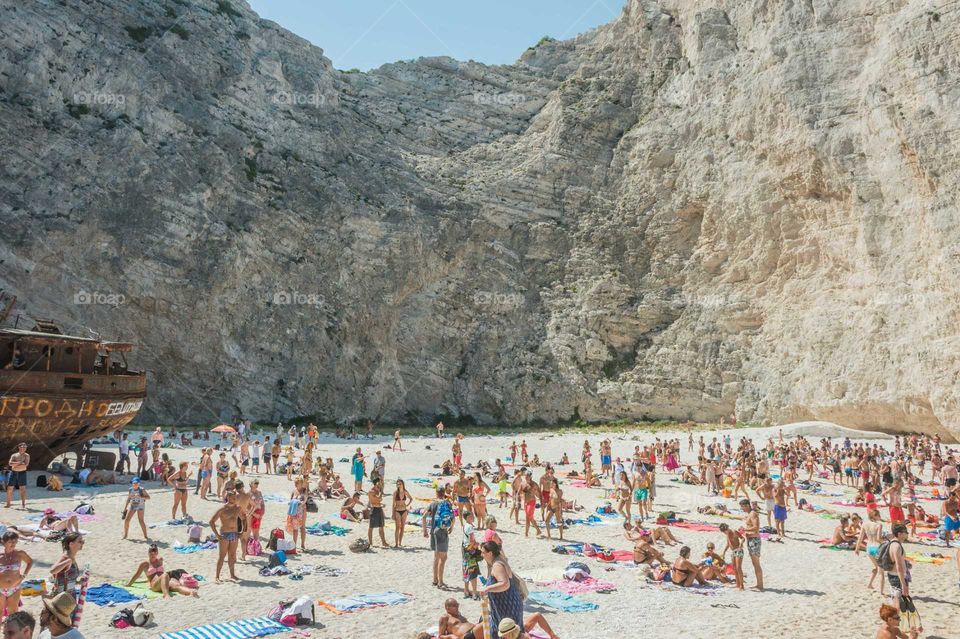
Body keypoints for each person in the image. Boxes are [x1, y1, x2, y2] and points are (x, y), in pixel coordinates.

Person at [478, 541, 523, 639]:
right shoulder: (499, 560)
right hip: (506, 604)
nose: (482, 555)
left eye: (483, 552)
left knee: (508, 633)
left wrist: (487, 589)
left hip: (506, 605)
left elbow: (505, 584)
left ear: (490, 553)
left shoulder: (497, 565)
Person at [126, 544, 198, 598]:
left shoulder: (160, 560)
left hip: (164, 581)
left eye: (154, 553)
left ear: (157, 553)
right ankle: (166, 595)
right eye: (151, 553)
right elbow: (137, 575)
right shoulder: (144, 564)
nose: (153, 554)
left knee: (176, 584)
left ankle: (190, 592)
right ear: (148, 553)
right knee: (165, 575)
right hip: (155, 585)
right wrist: (129, 584)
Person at [424, 487, 453, 588]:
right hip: (442, 531)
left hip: (433, 532)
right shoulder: (447, 503)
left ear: (436, 493)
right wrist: (451, 528)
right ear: (444, 493)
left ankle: (435, 580)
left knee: (436, 557)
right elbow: (453, 517)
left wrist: (425, 530)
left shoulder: (433, 504)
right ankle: (441, 582)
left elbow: (424, 516)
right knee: (443, 558)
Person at [209, 491, 241, 582]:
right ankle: (217, 576)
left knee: (232, 555)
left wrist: (242, 531)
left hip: (234, 533)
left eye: (235, 498)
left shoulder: (237, 508)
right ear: (228, 497)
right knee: (222, 556)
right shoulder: (222, 509)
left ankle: (232, 575)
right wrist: (217, 535)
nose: (235, 500)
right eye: (233, 498)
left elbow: (243, 518)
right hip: (225, 534)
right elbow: (211, 522)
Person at [0, 531, 31, 618]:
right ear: (4, 542)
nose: (13, 544)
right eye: (10, 542)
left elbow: (30, 562)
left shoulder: (19, 553)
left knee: (13, 612)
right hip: (0, 588)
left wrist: (24, 575)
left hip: (15, 588)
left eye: (15, 541)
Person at [461, 511, 481, 600]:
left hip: (465, 549)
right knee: (472, 570)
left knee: (465, 569)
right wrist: (477, 544)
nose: (473, 517)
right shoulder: (470, 527)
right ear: (468, 517)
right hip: (470, 550)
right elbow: (471, 541)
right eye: (472, 516)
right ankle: (474, 593)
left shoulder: (465, 526)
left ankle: (466, 591)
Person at [5, 444, 29, 509]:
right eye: (22, 447)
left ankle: (23, 504)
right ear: (19, 447)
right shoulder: (14, 455)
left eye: (25, 447)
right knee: (10, 488)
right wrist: (20, 462)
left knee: (22, 489)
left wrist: (15, 464)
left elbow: (25, 464)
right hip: (13, 472)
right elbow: (10, 463)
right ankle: (8, 504)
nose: (24, 448)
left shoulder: (26, 455)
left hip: (22, 472)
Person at [367, 478, 388, 548]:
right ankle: (370, 543)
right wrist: (382, 490)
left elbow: (379, 500)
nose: (380, 484)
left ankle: (383, 542)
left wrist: (381, 503)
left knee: (381, 526)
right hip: (374, 509)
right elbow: (378, 498)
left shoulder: (377, 490)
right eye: (379, 483)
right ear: (376, 483)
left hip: (379, 508)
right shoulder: (371, 491)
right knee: (371, 527)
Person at [392, 479, 412, 547]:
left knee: (402, 527)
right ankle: (396, 544)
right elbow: (393, 504)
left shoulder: (405, 492)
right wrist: (393, 513)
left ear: (403, 484)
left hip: (404, 511)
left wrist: (407, 505)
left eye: (400, 484)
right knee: (397, 527)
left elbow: (411, 498)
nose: (399, 485)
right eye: (397, 484)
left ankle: (400, 542)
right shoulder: (395, 493)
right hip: (397, 510)